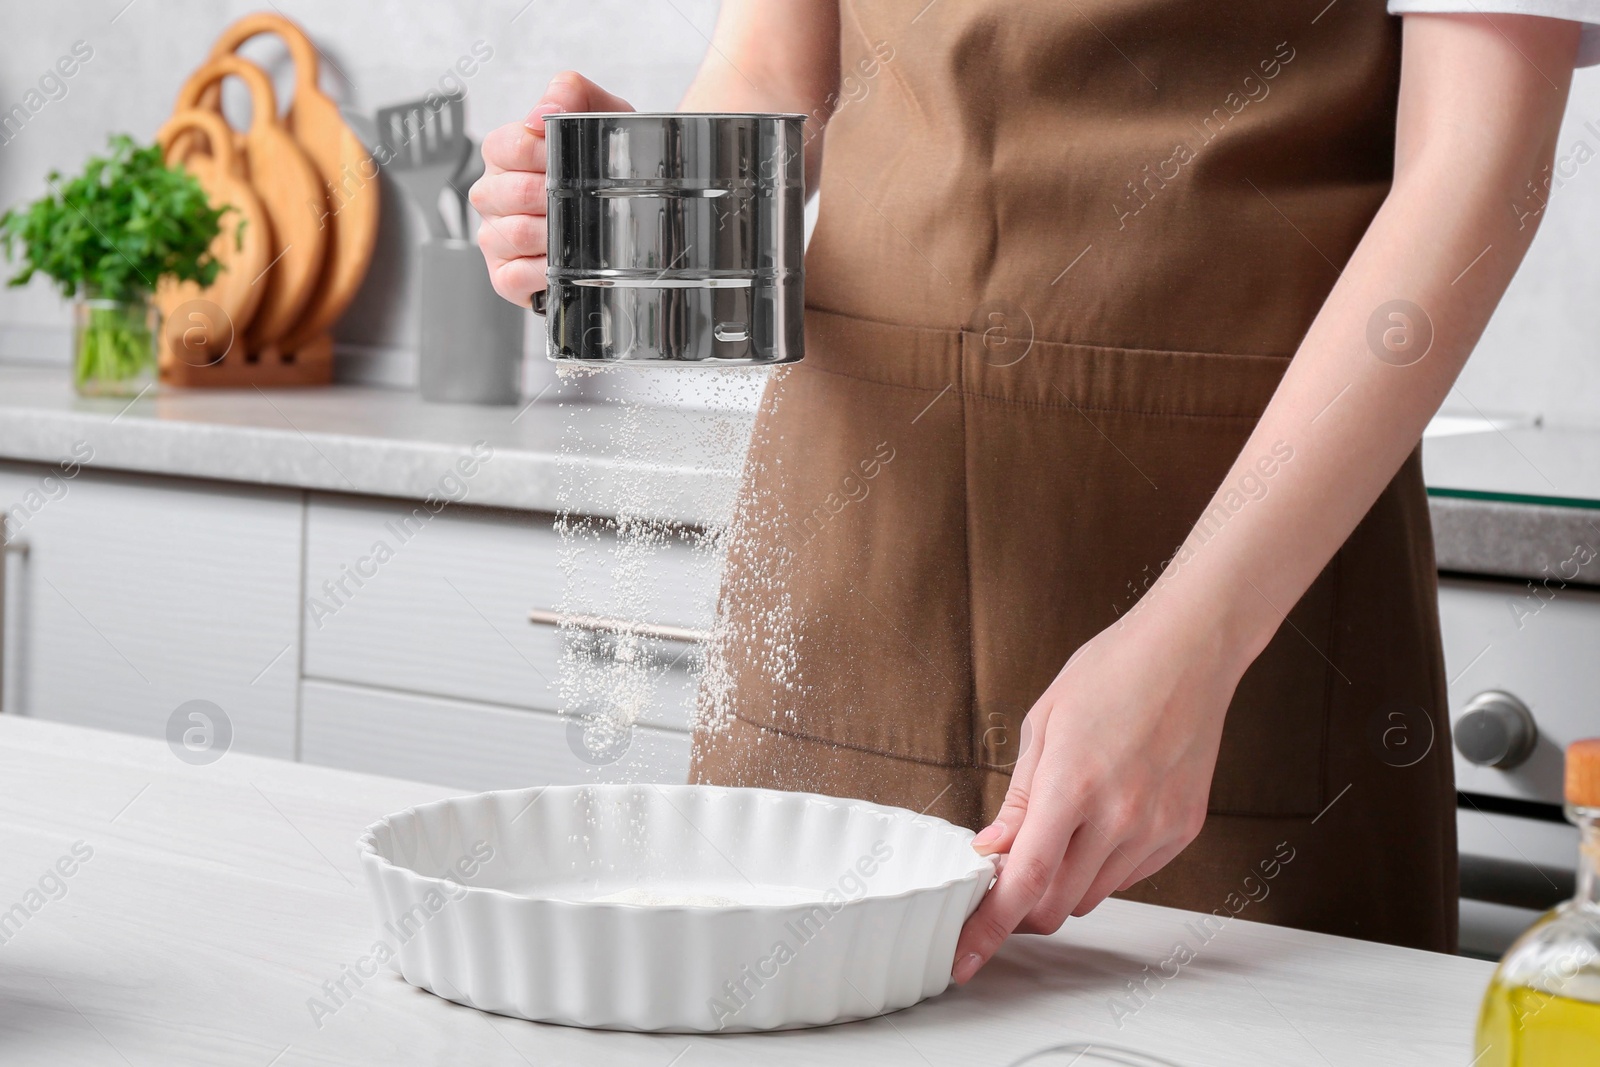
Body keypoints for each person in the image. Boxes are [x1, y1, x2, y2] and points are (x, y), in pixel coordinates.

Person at [473, 0, 1596, 984]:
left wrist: (1191, 647)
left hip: (1234, 599)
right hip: (847, 554)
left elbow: (1474, 174)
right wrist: (637, 219)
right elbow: (777, 80)